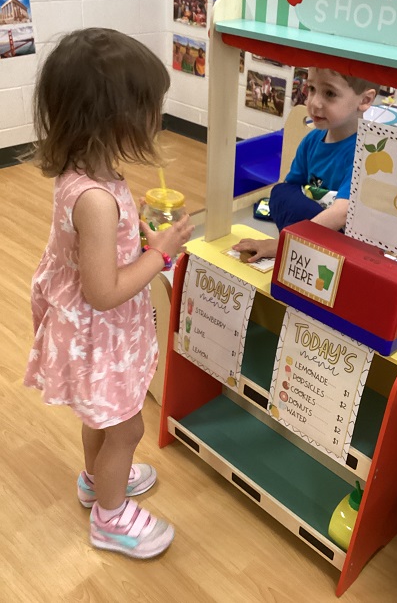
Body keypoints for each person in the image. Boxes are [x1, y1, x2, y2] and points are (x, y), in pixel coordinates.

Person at [23, 28, 194, 559]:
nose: (157, 118)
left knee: (100, 416)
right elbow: (104, 291)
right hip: (101, 332)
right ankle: (111, 518)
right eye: (151, 107)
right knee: (126, 427)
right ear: (115, 117)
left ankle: (97, 482)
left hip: (89, 332)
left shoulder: (84, 174)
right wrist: (159, 254)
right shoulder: (95, 200)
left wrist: (132, 233)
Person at [232, 67, 378, 262]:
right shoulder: (312, 140)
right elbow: (288, 192)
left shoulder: (365, 152)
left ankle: (298, 243)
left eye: (330, 93)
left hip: (342, 237)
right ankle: (301, 242)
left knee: (334, 220)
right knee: (280, 192)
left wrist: (281, 244)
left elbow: (342, 213)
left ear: (365, 100)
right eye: (311, 89)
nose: (314, 102)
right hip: (309, 224)